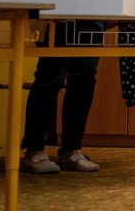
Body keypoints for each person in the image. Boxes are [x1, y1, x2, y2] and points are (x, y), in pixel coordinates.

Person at [20, 19, 103, 173]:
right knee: (51, 76)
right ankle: (34, 150)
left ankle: (71, 149)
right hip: (56, 14)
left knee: (85, 80)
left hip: (91, 15)